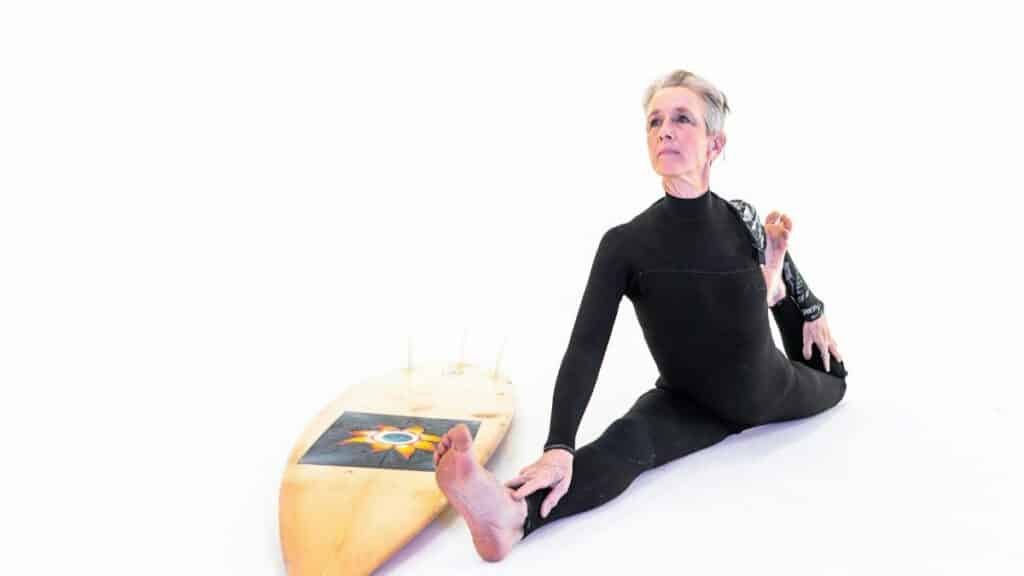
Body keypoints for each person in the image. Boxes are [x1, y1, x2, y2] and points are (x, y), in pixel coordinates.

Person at [432, 69, 848, 562]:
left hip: (769, 391)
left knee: (834, 376)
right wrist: (559, 444)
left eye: (682, 119)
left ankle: (778, 294)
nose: (665, 130)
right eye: (655, 122)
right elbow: (586, 346)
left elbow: (786, 281)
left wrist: (810, 308)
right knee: (626, 442)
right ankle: (511, 515)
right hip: (688, 401)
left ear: (715, 145)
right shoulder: (625, 244)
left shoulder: (743, 219)